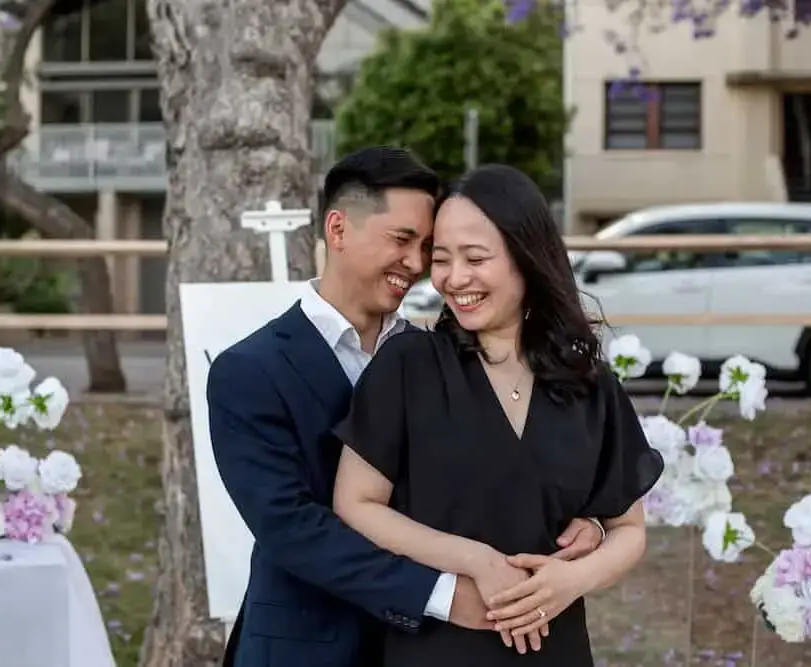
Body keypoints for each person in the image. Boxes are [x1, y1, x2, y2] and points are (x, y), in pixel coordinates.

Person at [207, 148, 606, 667]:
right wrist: (442, 594)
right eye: (401, 240)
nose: (416, 265)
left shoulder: (441, 356)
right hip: (309, 646)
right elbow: (292, 528)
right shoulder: (249, 371)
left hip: (435, 652)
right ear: (338, 229)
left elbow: (501, 468)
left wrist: (587, 521)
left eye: (426, 247)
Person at [331, 163, 665, 666]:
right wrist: (474, 561)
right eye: (441, 259)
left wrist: (571, 580)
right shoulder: (408, 364)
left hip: (555, 649)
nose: (454, 278)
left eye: (475, 258)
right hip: (436, 647)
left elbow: (629, 529)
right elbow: (356, 502)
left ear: (526, 258)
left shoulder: (587, 384)